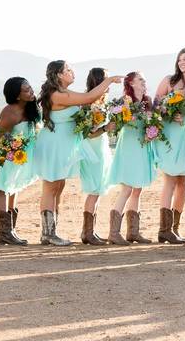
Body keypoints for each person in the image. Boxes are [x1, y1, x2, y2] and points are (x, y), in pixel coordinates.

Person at [35, 60, 121, 246]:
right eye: (68, 70)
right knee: (50, 187)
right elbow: (89, 98)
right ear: (58, 75)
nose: (72, 72)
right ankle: (48, 234)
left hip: (63, 146)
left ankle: (51, 232)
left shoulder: (63, 93)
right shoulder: (57, 94)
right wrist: (109, 80)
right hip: (54, 145)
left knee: (58, 186)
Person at [153, 46, 185, 244]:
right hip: (170, 135)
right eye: (180, 59)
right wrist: (170, 113)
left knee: (183, 183)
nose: (182, 63)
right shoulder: (169, 81)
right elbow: (155, 104)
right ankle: (163, 229)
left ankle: (174, 229)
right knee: (170, 180)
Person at [0, 77, 40, 245]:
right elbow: (2, 139)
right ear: (17, 96)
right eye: (26, 90)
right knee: (3, 187)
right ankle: (5, 232)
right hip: (4, 150)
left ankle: (11, 230)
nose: (31, 91)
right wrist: (12, 152)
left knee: (14, 187)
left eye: (30, 87)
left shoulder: (30, 108)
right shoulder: (10, 112)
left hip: (20, 152)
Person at [105, 71, 157, 245]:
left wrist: (152, 132)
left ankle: (133, 232)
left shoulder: (147, 101)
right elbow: (116, 125)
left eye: (144, 79)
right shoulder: (124, 101)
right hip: (129, 144)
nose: (144, 81)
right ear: (131, 83)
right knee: (127, 188)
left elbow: (153, 121)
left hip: (143, 146)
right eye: (140, 79)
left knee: (137, 189)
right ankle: (114, 232)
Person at [77, 67, 114, 245]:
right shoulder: (89, 103)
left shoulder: (100, 102)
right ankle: (87, 233)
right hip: (91, 150)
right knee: (94, 189)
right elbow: (87, 133)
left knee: (98, 190)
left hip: (100, 147)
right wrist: (107, 128)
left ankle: (90, 231)